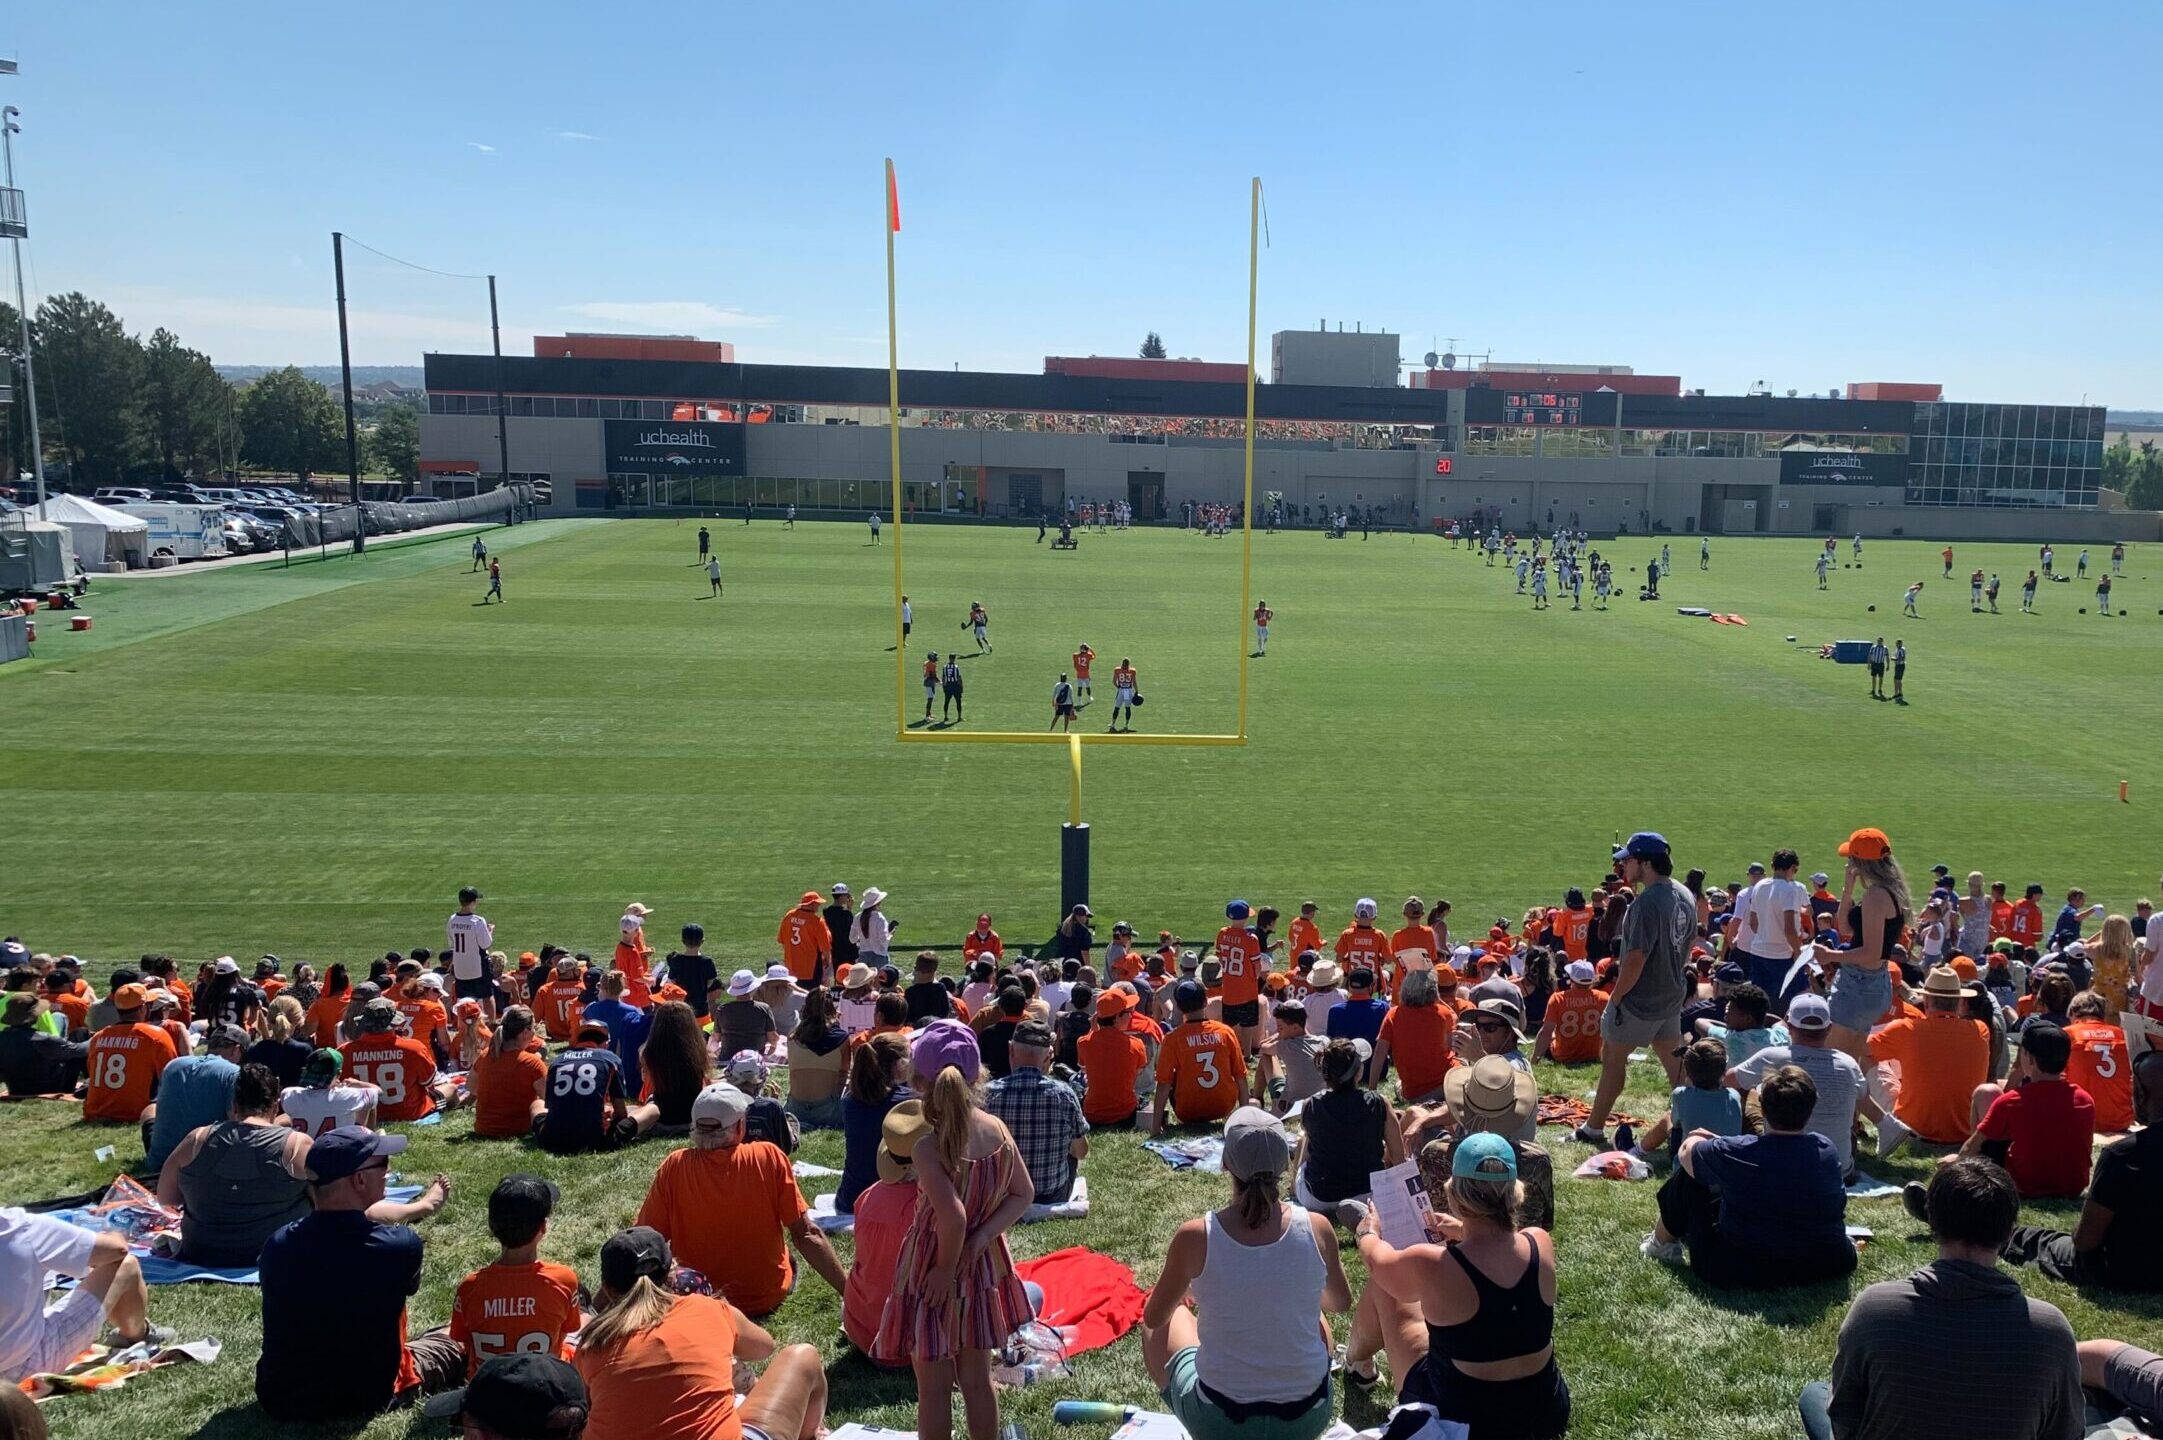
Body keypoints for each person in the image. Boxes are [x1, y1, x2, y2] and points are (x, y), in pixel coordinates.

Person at [1798, 1158, 2081, 1440]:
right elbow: (2066, 1432)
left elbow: (1844, 1419)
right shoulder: (2051, 1331)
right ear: (2009, 1233)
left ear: (1931, 1221)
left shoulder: (1874, 1309)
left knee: (1815, 1394)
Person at [1141, 1107, 1349, 1440]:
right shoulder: (1318, 1228)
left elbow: (1154, 1317)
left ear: (1225, 1164)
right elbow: (1339, 1302)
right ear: (1285, 1165)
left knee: (1164, 1317)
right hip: (1306, 1417)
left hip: (1220, 1422)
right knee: (1315, 1315)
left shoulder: (1195, 1237)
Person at [1344, 1132, 1569, 1438]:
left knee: (1386, 1286)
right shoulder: (1539, 1242)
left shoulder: (1434, 1264)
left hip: (1463, 1423)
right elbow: (1498, 1245)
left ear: (1455, 1194)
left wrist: (1367, 1231)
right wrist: (1464, 1230)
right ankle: (1357, 1362)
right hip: (1544, 1413)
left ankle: (1355, 1361)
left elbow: (1377, 1261)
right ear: (1514, 1192)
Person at [875, 1021, 1037, 1440]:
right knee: (978, 1381)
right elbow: (1023, 1194)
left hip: (935, 1267)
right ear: (976, 1075)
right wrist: (984, 1239)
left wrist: (944, 1270)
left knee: (932, 1389)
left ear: (919, 1081)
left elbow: (953, 1217)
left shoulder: (928, 1146)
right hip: (981, 1268)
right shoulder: (996, 1130)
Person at [256, 1127, 465, 1418]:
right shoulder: (399, 1246)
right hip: (366, 1394)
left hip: (281, 1395)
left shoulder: (277, 1245)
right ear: (360, 1179)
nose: (387, 1173)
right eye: (383, 1165)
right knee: (458, 1337)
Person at [574, 1226, 827, 1440]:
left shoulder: (592, 1344)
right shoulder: (708, 1310)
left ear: (607, 1290)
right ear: (673, 1271)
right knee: (803, 1356)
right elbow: (764, 1348)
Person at [635, 1082, 845, 1317]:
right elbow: (806, 1234)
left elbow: (645, 1241)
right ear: (740, 1127)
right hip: (764, 1297)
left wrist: (606, 1310)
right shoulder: (769, 1156)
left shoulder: (674, 1166)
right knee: (787, 1257)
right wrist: (848, 1291)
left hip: (697, 1298)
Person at [1643, 1065, 1857, 1288]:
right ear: (1810, 1108)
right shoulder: (1826, 1148)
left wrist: (1702, 1139)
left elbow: (1687, 1152)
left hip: (1742, 1268)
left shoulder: (1739, 1151)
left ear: (1762, 1108)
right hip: (1828, 1261)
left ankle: (1661, 1245)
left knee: (1687, 1178)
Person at [1998, 1048, 2163, 1289]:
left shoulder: (2122, 1155)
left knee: (2033, 1240)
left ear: (2139, 1095)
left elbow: (2085, 1241)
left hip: (2118, 1270)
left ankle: (1965, 1227)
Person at [1575, 832, 1690, 1147]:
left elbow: (1635, 960)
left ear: (1646, 863)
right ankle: (1690, 1120)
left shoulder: (1645, 903)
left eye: (1628, 859)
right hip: (1671, 994)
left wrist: (1617, 997)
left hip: (1640, 1000)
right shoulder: (1684, 894)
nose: (1622, 864)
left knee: (1613, 1058)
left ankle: (1593, 1128)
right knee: (1676, 1067)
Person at [154, 1062, 313, 1266]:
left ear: (234, 1106)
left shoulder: (196, 1139)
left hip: (202, 1252)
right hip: (275, 1252)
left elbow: (166, 1198)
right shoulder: (297, 1145)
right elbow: (325, 1199)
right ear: (276, 1106)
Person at [1919, 1022, 2093, 1206]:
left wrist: (1957, 1163)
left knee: (1984, 1098)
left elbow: (1973, 1145)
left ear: (2030, 1059)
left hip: (2025, 1186)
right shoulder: (2085, 1100)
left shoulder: (2012, 1102)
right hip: (2073, 1186)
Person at [0, 1205, 160, 1386]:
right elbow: (117, 1250)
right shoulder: (17, 1227)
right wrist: (115, 1232)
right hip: (19, 1368)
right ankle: (137, 1335)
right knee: (125, 1265)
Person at [448, 1175, 583, 1380]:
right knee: (587, 1319)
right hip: (546, 1386)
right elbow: (566, 1331)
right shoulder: (564, 1279)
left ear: (492, 1226)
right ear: (543, 1228)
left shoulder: (470, 1287)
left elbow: (465, 1342)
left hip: (487, 1392)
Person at [1725, 994, 1866, 1178]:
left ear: (1789, 1027)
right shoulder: (1848, 1063)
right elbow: (1862, 1093)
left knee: (1750, 1092)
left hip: (1781, 1167)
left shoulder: (1771, 1057)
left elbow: (1729, 1080)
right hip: (1836, 1170)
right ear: (1829, 1028)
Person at [841, 1100, 930, 1366]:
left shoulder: (867, 1197)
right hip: (912, 1343)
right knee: (1031, 1294)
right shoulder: (929, 1208)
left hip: (863, 1327)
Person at [1870, 965, 1991, 1155]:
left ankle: (1869, 1126)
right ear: (1959, 1001)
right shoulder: (1981, 1030)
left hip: (1912, 1127)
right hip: (1963, 1133)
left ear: (1926, 1000)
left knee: (1867, 1060)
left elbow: (1862, 1050)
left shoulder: (1906, 1029)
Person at [1826, 827, 1909, 1072]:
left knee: (1828, 1061)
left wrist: (1830, 955)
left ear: (1860, 861)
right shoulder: (1890, 893)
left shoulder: (1876, 896)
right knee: (1849, 1065)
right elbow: (1845, 927)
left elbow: (1870, 952)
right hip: (1873, 984)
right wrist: (1848, 889)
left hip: (1859, 984)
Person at [1295, 1039, 1402, 1222]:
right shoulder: (1379, 1103)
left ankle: (1293, 1192)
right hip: (1369, 1193)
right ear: (1358, 1072)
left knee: (1304, 1138)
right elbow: (1399, 1158)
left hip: (1319, 1197)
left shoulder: (1310, 1105)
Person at [983, 1020, 1088, 1204]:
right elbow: (1081, 1151)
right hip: (1052, 1194)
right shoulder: (1064, 1094)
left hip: (1002, 1195)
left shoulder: (987, 1094)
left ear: (1011, 1050)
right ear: (1048, 1056)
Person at [536, 1020, 658, 1154]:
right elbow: (621, 1113)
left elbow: (551, 1106)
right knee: (652, 1110)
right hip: (597, 1140)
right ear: (605, 1043)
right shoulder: (610, 1058)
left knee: (536, 1104)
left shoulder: (558, 1061)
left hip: (553, 1139)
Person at [140, 1023, 246, 1174]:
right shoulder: (234, 1073)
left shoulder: (174, 1065)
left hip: (161, 1162)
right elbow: (236, 1125)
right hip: (204, 1165)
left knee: (149, 1110)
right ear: (236, 1050)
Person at [342, 998, 459, 1123]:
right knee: (451, 1088)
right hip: (411, 1112)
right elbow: (429, 1084)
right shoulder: (414, 1048)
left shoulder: (344, 1052)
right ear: (394, 1023)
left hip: (365, 1114)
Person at [1153, 979, 1247, 1131]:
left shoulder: (1172, 1039)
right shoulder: (1225, 1032)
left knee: (1171, 1075)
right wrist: (1245, 1118)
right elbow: (1241, 1076)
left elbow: (1164, 1084)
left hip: (1187, 1112)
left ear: (1178, 1006)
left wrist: (1155, 1127)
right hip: (1224, 1107)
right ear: (1205, 1002)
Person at [837, 1031, 912, 1213]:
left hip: (850, 1198)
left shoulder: (849, 1101)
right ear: (898, 1065)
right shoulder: (909, 1104)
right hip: (892, 1202)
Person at [83, 982, 178, 1124]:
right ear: (143, 1008)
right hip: (135, 1113)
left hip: (96, 1111)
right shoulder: (155, 1036)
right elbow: (172, 1078)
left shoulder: (98, 1037)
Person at [1373, 968, 1456, 1104]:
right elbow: (1450, 1047)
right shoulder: (1443, 1013)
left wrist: (1372, 1089)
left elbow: (1379, 1053)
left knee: (1399, 1086)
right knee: (1463, 1062)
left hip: (1413, 1092)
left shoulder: (1393, 1014)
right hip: (1445, 1084)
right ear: (1433, 990)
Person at [469, 1006, 548, 1139]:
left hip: (484, 1129)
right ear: (525, 1032)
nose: (535, 1033)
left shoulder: (485, 1056)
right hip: (518, 1129)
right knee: (539, 1104)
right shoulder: (532, 1063)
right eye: (534, 1028)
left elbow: (471, 1087)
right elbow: (550, 1098)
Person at [2062, 989, 2134, 1133]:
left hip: (2080, 1118)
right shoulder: (2122, 1035)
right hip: (2120, 1120)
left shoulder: (2068, 1034)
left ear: (2073, 1012)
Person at [1078, 988, 1150, 1127]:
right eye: (1128, 1012)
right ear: (1117, 1017)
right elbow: (1135, 1075)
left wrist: (1093, 1031)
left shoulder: (1083, 1042)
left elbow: (1086, 1070)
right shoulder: (1136, 1044)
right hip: (1125, 1113)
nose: (1131, 1016)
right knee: (1144, 1101)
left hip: (1092, 1113)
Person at [0, 992, 86, 1096]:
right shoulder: (42, 1039)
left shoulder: (3, 1037)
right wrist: (99, 1036)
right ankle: (91, 1083)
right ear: (33, 1016)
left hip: (15, 1089)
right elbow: (80, 1050)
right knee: (81, 1033)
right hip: (54, 1087)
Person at [447, 885, 497, 1017]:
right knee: (487, 995)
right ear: (473, 902)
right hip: (477, 965)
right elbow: (485, 944)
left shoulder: (452, 919)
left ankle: (464, 1024)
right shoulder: (477, 921)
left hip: (461, 966)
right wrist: (490, 931)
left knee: (463, 1000)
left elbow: (452, 942)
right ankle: (491, 1023)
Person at [776, 892, 831, 988]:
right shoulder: (817, 921)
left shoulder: (789, 916)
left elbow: (782, 940)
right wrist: (827, 962)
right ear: (812, 904)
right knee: (811, 997)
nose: (818, 906)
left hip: (791, 967)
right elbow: (825, 948)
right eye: (817, 904)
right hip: (810, 968)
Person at [1109, 656, 1138, 732]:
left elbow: (1114, 682)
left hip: (1121, 690)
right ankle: (1126, 725)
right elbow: (1134, 682)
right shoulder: (1132, 671)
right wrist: (1136, 691)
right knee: (1127, 708)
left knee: (1117, 707)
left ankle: (1113, 724)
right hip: (1127, 691)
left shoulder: (1117, 670)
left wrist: (1118, 687)